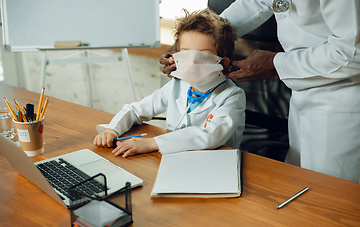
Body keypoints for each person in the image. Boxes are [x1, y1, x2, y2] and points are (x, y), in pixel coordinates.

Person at [160, 1, 360, 183]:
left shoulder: (231, 96)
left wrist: (276, 64)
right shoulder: (176, 88)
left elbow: (353, 51)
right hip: (301, 92)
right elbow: (256, 2)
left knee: (329, 194)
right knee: (299, 185)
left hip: (342, 95)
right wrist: (193, 42)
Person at [94, 8, 246, 158]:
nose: (192, 63)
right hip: (175, 158)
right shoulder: (178, 85)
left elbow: (209, 136)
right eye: (186, 54)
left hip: (216, 164)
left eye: (203, 56)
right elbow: (135, 111)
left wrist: (153, 143)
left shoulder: (233, 96)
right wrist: (112, 130)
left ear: (223, 64)